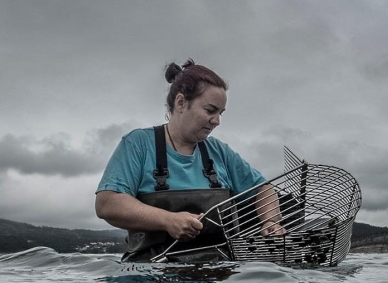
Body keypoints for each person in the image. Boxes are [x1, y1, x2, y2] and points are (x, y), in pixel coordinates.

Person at [95, 59, 285, 262]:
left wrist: (271, 221)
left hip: (219, 273)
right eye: (210, 110)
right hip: (152, 275)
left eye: (220, 113)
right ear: (181, 103)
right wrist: (168, 220)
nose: (217, 121)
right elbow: (107, 203)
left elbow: (263, 189)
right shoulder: (138, 144)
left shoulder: (219, 151)